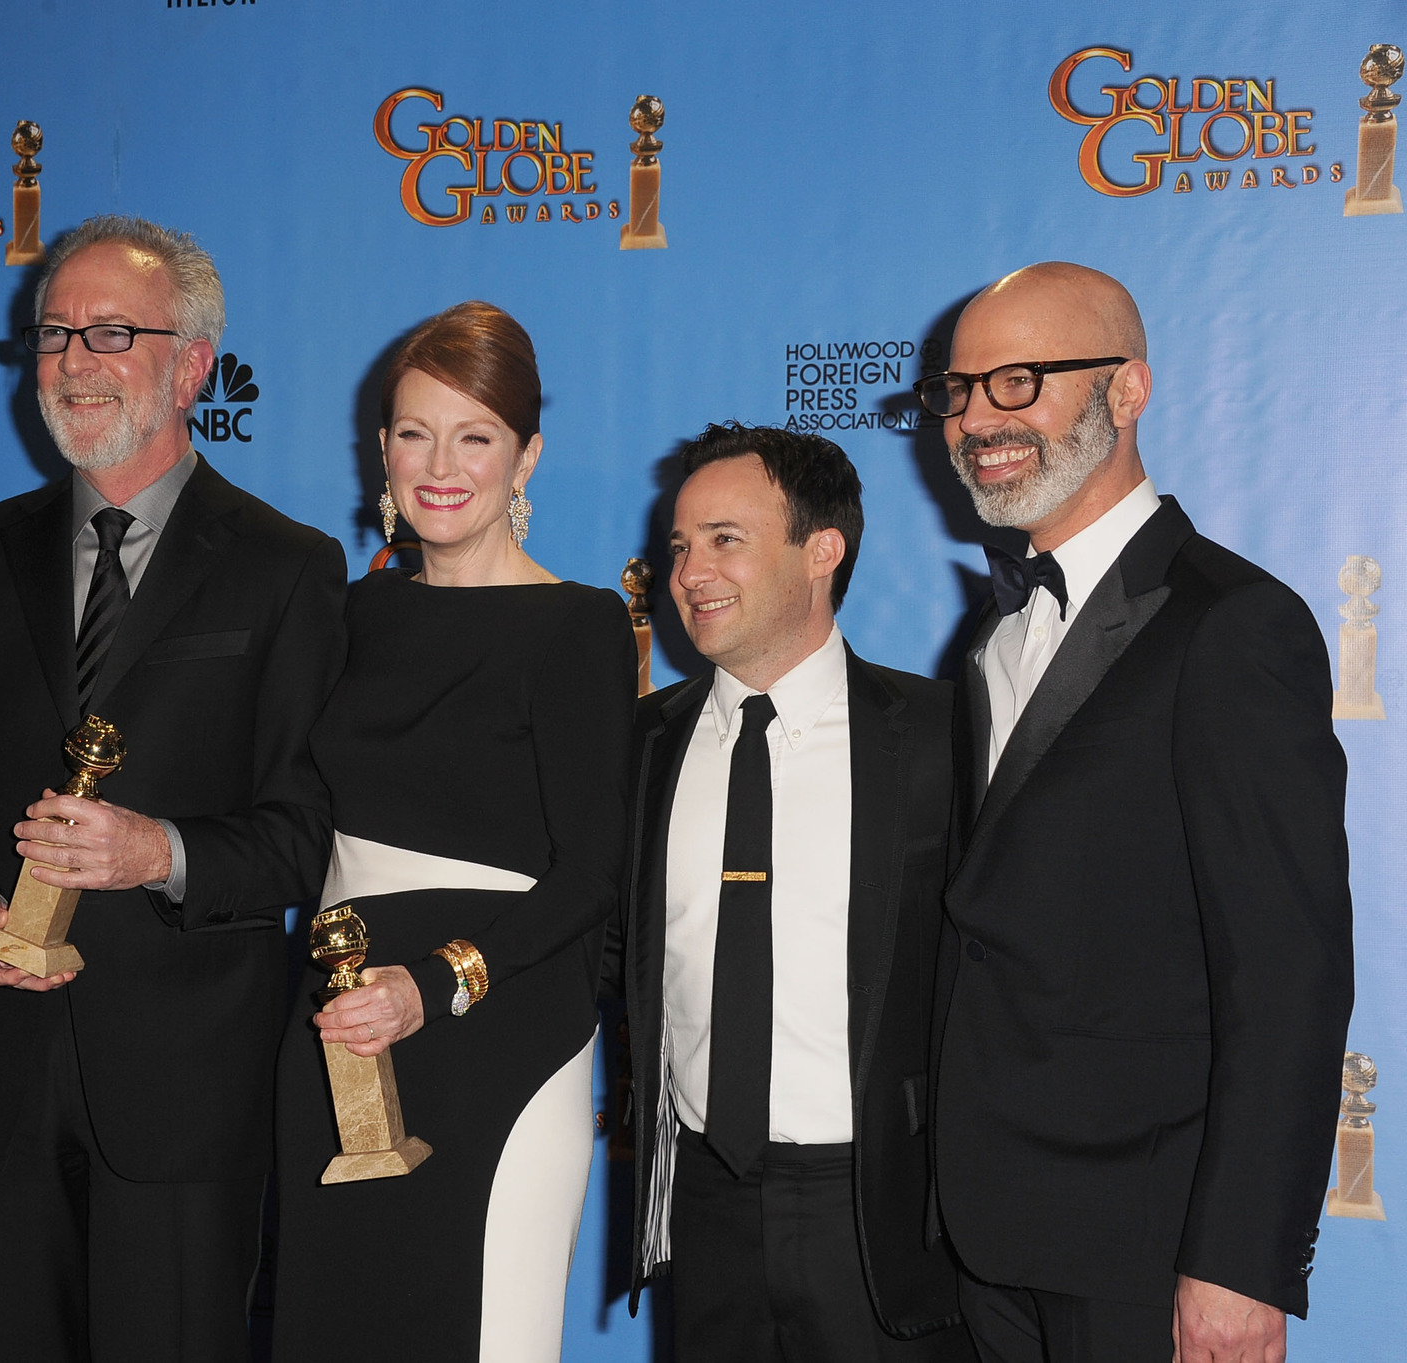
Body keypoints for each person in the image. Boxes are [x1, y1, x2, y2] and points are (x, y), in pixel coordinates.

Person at [0, 215, 347, 1363]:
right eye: (52, 334)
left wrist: (162, 852)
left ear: (191, 363)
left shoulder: (287, 567)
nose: (72, 362)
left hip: (186, 1092)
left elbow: (304, 834)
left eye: (110, 331)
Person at [924, 262, 1354, 1363]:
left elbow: (1285, 973)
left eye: (1018, 381)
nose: (978, 418)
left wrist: (1238, 1262)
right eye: (960, 390)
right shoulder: (986, 638)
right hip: (984, 1232)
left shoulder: (1234, 625)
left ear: (1126, 391)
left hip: (1146, 1244)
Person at [272, 301, 635, 1363]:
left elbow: (589, 875)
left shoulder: (577, 625)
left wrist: (429, 985)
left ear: (524, 456)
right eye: (413, 431)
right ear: (379, 448)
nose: (439, 464)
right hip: (338, 1036)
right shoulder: (348, 616)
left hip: (498, 1037)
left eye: (473, 435)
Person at [605, 423, 974, 1361]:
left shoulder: (945, 737)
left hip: (881, 1212)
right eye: (680, 546)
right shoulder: (638, 745)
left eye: (725, 538)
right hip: (704, 1202)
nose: (690, 572)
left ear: (823, 550)